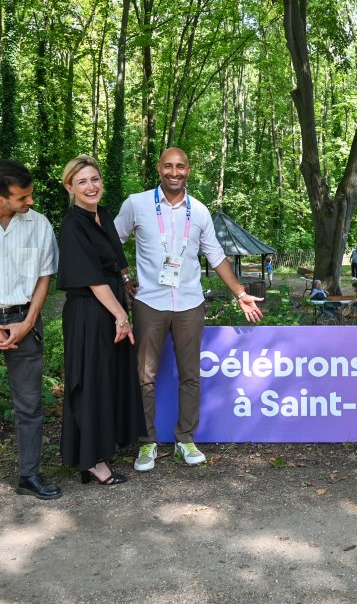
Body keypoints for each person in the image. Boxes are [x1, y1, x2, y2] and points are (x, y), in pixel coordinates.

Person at [115, 147, 264, 472]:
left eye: (180, 166)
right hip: (149, 303)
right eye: (168, 166)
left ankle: (185, 440)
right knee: (145, 376)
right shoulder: (137, 204)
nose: (174, 172)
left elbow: (216, 256)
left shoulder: (198, 211)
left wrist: (240, 292)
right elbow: (111, 240)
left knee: (190, 376)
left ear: (189, 170)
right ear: (159, 168)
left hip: (189, 304)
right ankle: (147, 443)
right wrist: (125, 274)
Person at [0, 160, 61, 525]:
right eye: (22, 197)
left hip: (25, 320)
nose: (30, 201)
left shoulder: (38, 225)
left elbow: (44, 277)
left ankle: (30, 475)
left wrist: (28, 322)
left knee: (30, 405)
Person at [57, 155, 145, 486]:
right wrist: (121, 315)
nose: (90, 186)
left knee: (108, 379)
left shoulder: (103, 215)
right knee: (90, 381)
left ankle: (101, 449)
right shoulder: (72, 225)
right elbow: (92, 279)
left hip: (110, 308)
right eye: (82, 182)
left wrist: (126, 284)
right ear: (70, 187)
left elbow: (117, 264)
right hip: (88, 313)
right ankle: (91, 460)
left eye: (94, 179)